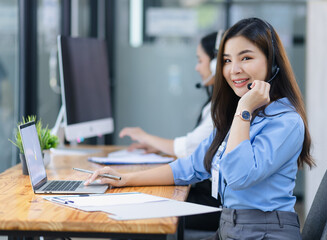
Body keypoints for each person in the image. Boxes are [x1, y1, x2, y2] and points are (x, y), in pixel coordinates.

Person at [85, 17, 314, 239]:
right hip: (230, 228)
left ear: (272, 63)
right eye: (226, 60)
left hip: (265, 232)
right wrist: (125, 179)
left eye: (245, 58)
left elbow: (239, 176)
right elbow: (191, 166)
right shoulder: (237, 117)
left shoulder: (285, 122)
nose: (233, 69)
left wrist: (243, 109)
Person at [119, 31, 223, 231]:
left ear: (214, 64)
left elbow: (188, 149)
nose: (197, 67)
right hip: (207, 193)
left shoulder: (224, 110)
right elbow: (192, 158)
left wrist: (145, 136)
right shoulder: (216, 104)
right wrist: (128, 178)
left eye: (200, 60)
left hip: (213, 202)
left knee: (139, 215)